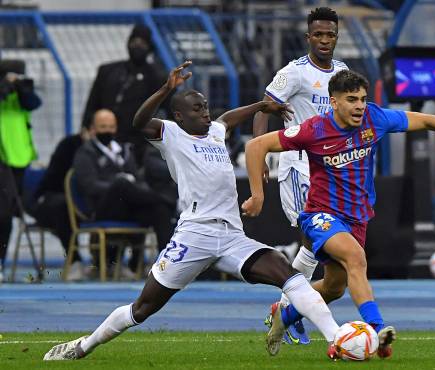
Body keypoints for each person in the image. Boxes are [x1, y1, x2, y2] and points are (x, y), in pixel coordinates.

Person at [44, 61, 343, 361]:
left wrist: (262, 106)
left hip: (230, 236)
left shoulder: (214, 131)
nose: (205, 112)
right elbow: (138, 122)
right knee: (142, 309)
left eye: (205, 106)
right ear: (179, 116)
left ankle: (337, 338)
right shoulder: (171, 134)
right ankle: (83, 346)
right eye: (197, 109)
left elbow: (227, 118)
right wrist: (165, 89)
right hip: (193, 235)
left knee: (287, 273)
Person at [242, 70, 435, 359]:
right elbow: (256, 145)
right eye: (351, 99)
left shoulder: (374, 119)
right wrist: (258, 195)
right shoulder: (314, 129)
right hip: (321, 215)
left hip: (357, 218)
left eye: (363, 99)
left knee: (334, 287)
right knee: (356, 258)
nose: (359, 106)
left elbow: (428, 120)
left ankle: (285, 315)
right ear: (334, 102)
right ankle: (377, 329)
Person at [252, 6, 348, 344]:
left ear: (337, 36)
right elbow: (263, 109)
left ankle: (287, 308)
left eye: (330, 34)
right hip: (298, 163)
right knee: (312, 238)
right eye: (318, 35)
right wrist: (260, 151)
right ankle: (291, 308)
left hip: (332, 167)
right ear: (308, 37)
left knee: (320, 244)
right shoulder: (294, 72)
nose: (324, 40)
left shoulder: (342, 71)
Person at [72, 109, 174, 277]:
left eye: (111, 126)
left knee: (160, 210)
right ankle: (170, 201)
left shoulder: (124, 151)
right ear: (93, 129)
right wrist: (117, 184)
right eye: (103, 126)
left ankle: (168, 266)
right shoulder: (85, 153)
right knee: (122, 183)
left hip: (128, 205)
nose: (108, 130)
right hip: (101, 207)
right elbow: (89, 186)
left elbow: (138, 181)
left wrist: (129, 187)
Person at [82, 24, 167, 164]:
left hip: (137, 142)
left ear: (149, 47)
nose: (137, 46)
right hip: (102, 135)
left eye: (142, 43)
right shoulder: (108, 71)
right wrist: (86, 127)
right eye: (133, 42)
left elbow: (168, 110)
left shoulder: (157, 77)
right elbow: (92, 103)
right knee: (68, 147)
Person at [29, 124, 92, 281]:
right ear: (86, 130)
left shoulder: (113, 149)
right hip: (51, 199)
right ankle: (74, 261)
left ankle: (107, 263)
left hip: (86, 202)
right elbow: (54, 178)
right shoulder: (69, 145)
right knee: (64, 207)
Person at [0, 59, 41, 283]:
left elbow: (33, 103)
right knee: (3, 213)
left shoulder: (21, 94)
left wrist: (19, 87)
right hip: (2, 157)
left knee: (6, 215)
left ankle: (1, 262)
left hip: (19, 158)